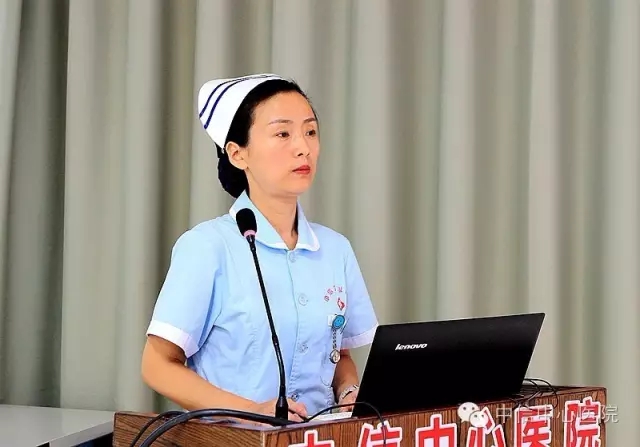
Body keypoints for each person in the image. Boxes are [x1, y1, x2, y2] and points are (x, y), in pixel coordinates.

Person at [141, 74, 378, 421]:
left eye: (310, 132)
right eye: (283, 134)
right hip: (235, 438)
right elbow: (157, 365)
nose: (303, 147)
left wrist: (348, 390)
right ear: (238, 154)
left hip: (320, 439)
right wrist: (252, 411)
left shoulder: (335, 250)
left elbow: (339, 356)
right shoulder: (207, 247)